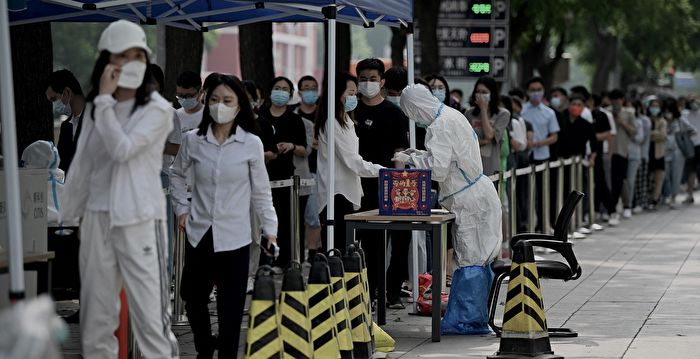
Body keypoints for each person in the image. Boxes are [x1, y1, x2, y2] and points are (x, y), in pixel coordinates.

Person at [58, 20, 179, 358]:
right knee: (97, 320)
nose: (130, 63)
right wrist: (68, 214)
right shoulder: (98, 108)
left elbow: (123, 150)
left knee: (151, 321)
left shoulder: (158, 110)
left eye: (137, 56)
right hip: (98, 217)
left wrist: (106, 103)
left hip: (140, 218)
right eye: (122, 56)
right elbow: (83, 164)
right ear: (107, 62)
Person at [171, 74, 278, 359]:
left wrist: (270, 229)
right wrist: (182, 209)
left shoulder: (251, 143)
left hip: (236, 236)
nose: (220, 106)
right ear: (207, 102)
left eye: (227, 100)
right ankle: (204, 346)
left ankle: (227, 353)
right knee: (191, 297)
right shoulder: (193, 141)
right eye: (215, 100)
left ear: (239, 105)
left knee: (230, 310)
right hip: (199, 232)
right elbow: (177, 175)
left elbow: (261, 191)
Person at [395, 84, 501, 334]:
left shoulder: (439, 125)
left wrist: (410, 159)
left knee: (470, 260)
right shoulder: (452, 116)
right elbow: (450, 158)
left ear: (415, 107)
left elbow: (439, 168)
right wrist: (420, 153)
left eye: (411, 113)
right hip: (475, 194)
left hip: (470, 202)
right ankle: (471, 317)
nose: (413, 119)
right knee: (475, 258)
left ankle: (467, 322)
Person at [354, 58, 410, 308]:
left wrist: (398, 183)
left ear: (382, 82)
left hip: (387, 183)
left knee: (397, 239)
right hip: (358, 182)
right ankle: (371, 289)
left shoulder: (394, 113)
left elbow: (400, 151)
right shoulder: (350, 112)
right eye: (363, 79)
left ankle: (392, 290)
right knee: (369, 241)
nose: (368, 83)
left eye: (373, 79)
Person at [316, 72, 383, 254]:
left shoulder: (346, 120)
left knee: (348, 249)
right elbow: (351, 160)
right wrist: (381, 171)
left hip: (346, 191)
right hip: (337, 192)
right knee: (337, 249)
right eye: (350, 93)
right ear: (337, 94)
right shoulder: (333, 122)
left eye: (355, 94)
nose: (354, 98)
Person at [260, 76, 308, 268]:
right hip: (262, 175)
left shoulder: (295, 119)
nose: (280, 92)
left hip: (286, 176)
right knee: (262, 220)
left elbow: (304, 149)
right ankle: (264, 260)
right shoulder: (261, 117)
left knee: (286, 220)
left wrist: (291, 146)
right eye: (277, 88)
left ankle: (287, 260)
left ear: (290, 95)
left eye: (284, 89)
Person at [521, 76, 559, 232]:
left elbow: (554, 136)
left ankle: (544, 224)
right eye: (532, 90)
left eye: (538, 90)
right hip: (525, 156)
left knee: (544, 192)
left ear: (543, 91)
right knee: (526, 192)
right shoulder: (522, 110)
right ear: (528, 92)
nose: (536, 93)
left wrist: (537, 143)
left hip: (543, 156)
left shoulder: (549, 113)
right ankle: (526, 223)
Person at [294, 75, 320, 262]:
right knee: (301, 215)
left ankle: (312, 253)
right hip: (300, 169)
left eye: (313, 87)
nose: (310, 91)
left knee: (313, 215)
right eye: (306, 87)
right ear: (300, 91)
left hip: (320, 169)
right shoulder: (294, 116)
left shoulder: (323, 115)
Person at [465, 76, 510, 176]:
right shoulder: (469, 113)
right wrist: (481, 142)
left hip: (491, 166)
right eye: (478, 91)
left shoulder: (503, 114)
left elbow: (490, 135)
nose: (480, 95)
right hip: (471, 165)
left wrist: (484, 110)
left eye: (484, 92)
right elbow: (465, 140)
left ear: (492, 94)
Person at [45, 69, 85, 174]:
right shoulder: (66, 126)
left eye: (54, 99)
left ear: (67, 92)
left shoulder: (95, 119)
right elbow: (62, 166)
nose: (54, 106)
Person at [662, 98, 696, 208]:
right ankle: (665, 195)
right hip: (664, 150)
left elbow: (692, 130)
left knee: (676, 175)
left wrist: (684, 136)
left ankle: (673, 197)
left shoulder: (680, 120)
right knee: (665, 174)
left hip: (678, 151)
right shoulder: (661, 120)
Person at [648, 98, 667, 210]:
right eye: (652, 106)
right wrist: (655, 134)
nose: (654, 108)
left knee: (658, 177)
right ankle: (648, 198)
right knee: (649, 177)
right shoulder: (646, 119)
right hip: (647, 151)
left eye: (656, 106)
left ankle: (656, 198)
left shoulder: (662, 121)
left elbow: (662, 135)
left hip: (658, 152)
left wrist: (650, 134)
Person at [683, 96, 700, 203]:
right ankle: (689, 194)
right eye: (691, 101)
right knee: (691, 170)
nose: (694, 103)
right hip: (690, 145)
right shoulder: (685, 115)